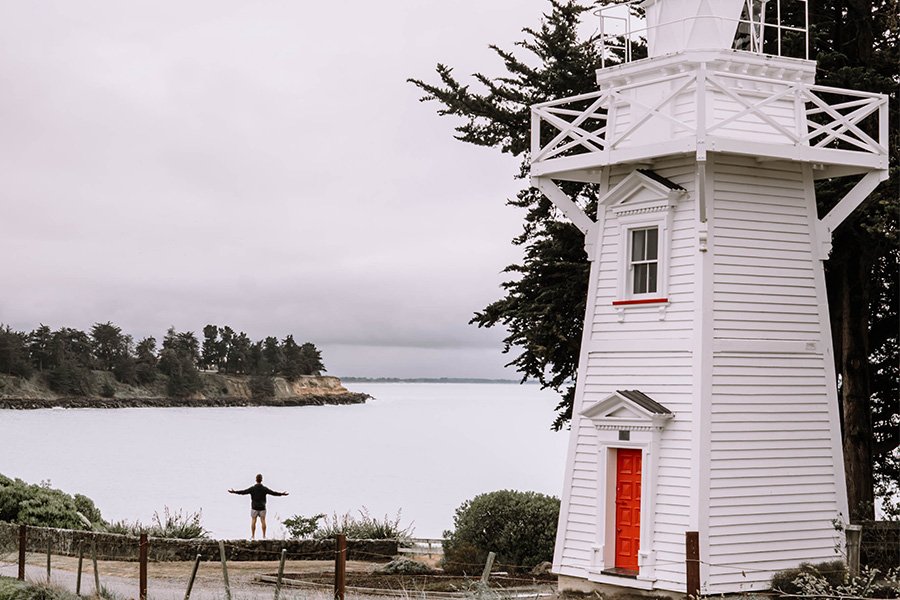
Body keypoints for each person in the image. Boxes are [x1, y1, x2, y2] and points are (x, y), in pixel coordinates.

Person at [228, 474, 289, 539]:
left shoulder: (252, 488)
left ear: (256, 480)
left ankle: (253, 536)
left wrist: (234, 492)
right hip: (262, 507)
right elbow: (273, 493)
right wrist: (282, 494)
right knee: (263, 521)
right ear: (261, 480)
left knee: (253, 521)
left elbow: (243, 492)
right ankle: (264, 536)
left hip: (254, 508)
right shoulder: (264, 489)